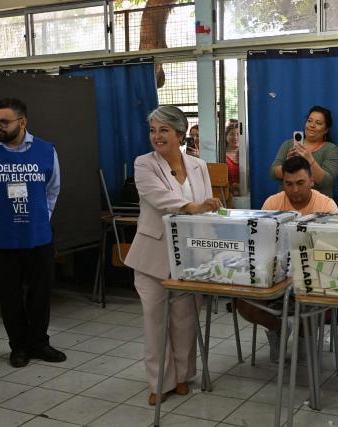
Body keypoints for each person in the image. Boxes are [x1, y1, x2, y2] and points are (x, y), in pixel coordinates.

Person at [124, 106, 222, 405]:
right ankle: (158, 382)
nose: (156, 136)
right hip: (152, 255)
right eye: (153, 130)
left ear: (180, 134)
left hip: (191, 256)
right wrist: (193, 206)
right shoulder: (144, 164)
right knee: (155, 320)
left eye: (163, 130)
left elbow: (208, 209)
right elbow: (159, 198)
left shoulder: (198, 165)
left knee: (185, 320)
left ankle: (181, 377)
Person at [0, 98, 66, 368]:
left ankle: (39, 342)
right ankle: (19, 346)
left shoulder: (46, 150)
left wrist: (41, 217)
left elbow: (52, 189)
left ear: (22, 122)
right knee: (9, 295)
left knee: (41, 292)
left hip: (38, 236)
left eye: (3, 121)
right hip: (1, 238)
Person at [237, 156, 338, 362]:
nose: (294, 189)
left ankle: (304, 335)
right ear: (282, 183)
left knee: (308, 299)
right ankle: (279, 328)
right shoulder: (272, 203)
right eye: (288, 184)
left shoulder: (327, 206)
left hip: (312, 279)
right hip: (277, 276)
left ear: (312, 181)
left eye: (300, 183)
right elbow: (261, 246)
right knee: (243, 302)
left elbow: (329, 254)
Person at [270, 105, 338, 198]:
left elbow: (326, 182)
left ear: (326, 130)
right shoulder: (288, 144)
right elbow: (273, 173)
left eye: (318, 123)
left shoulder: (331, 149)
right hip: (288, 201)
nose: (312, 125)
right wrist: (287, 165)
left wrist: (310, 160)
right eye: (309, 121)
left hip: (318, 205)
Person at [225, 122, 241, 196]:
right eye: (232, 134)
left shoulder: (247, 156)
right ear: (226, 136)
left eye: (238, 134)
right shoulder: (221, 156)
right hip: (227, 196)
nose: (235, 137)